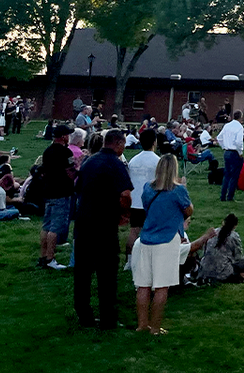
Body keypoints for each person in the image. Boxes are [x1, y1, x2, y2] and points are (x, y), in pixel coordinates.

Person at [74, 129, 133, 330]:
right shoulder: (116, 164)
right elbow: (125, 194)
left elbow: (79, 188)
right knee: (107, 272)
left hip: (83, 223)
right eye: (123, 144)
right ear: (117, 143)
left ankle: (83, 314)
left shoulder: (89, 161)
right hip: (104, 224)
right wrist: (124, 214)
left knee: (82, 271)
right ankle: (108, 318)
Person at [131, 154, 191, 335]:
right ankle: (155, 328)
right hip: (167, 239)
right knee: (161, 286)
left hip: (146, 237)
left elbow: (147, 207)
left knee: (143, 285)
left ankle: (142, 324)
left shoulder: (147, 188)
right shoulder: (178, 191)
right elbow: (188, 210)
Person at [37, 125, 76, 271]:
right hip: (61, 191)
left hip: (49, 191)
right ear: (64, 136)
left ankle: (42, 256)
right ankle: (50, 258)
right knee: (56, 227)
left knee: (46, 225)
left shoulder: (47, 151)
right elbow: (70, 171)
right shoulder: (65, 152)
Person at [126, 125, 162, 270]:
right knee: (151, 230)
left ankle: (129, 261)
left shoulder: (133, 160)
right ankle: (150, 259)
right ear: (154, 142)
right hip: (151, 201)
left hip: (134, 200)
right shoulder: (157, 161)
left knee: (134, 230)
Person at [198, 213, 244, 284]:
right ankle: (241, 274)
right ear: (235, 226)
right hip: (223, 272)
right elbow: (238, 257)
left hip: (205, 270)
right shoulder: (234, 236)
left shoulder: (213, 233)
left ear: (223, 222)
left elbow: (204, 251)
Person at [216, 110, 244, 202]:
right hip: (234, 152)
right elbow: (239, 142)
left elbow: (219, 138)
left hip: (227, 151)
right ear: (240, 117)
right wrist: (240, 152)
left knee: (227, 174)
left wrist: (224, 146)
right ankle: (230, 196)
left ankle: (223, 195)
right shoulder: (239, 127)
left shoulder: (227, 125)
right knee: (234, 175)